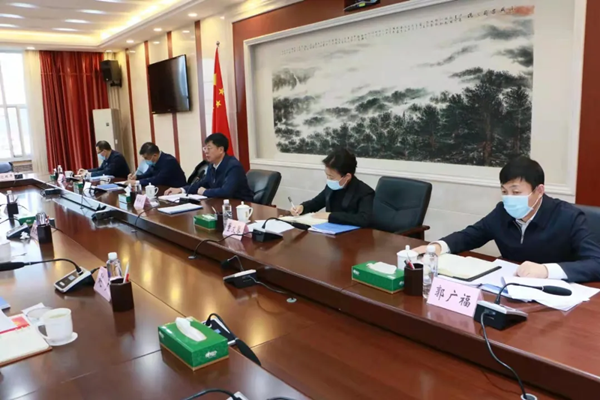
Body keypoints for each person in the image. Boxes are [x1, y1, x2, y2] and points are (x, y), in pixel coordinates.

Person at [413, 157, 600, 283]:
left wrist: (546, 271)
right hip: (509, 289)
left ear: (539, 190)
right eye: (504, 191)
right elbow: (470, 235)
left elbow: (596, 263)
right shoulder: (502, 212)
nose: (509, 198)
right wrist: (437, 247)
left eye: (516, 192)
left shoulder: (569, 217)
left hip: (557, 299)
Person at [290, 148, 374, 228]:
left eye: (331, 177)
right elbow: (316, 202)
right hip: (330, 232)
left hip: (354, 235)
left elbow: (364, 219)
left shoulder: (365, 192)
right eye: (327, 175)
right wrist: (302, 207)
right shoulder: (332, 186)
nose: (328, 180)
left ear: (347, 176)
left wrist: (330, 216)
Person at [165, 133, 254, 201]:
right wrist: (181, 190)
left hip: (242, 206)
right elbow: (201, 184)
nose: (206, 152)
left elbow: (226, 192)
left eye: (209, 148)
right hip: (220, 204)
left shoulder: (233, 166)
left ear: (221, 150)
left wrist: (205, 192)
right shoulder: (212, 165)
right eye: (205, 148)